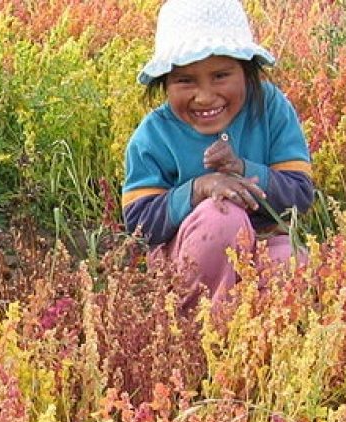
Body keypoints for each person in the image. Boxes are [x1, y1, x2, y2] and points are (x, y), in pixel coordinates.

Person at [121, 0, 315, 306]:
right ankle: (199, 332)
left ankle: (256, 344)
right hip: (186, 255)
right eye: (185, 80)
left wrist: (242, 168)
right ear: (165, 84)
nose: (205, 96)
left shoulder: (271, 108)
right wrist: (199, 189)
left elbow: (300, 195)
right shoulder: (153, 135)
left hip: (264, 242)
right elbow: (140, 224)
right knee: (221, 218)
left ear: (248, 72)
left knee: (296, 266)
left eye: (221, 76)